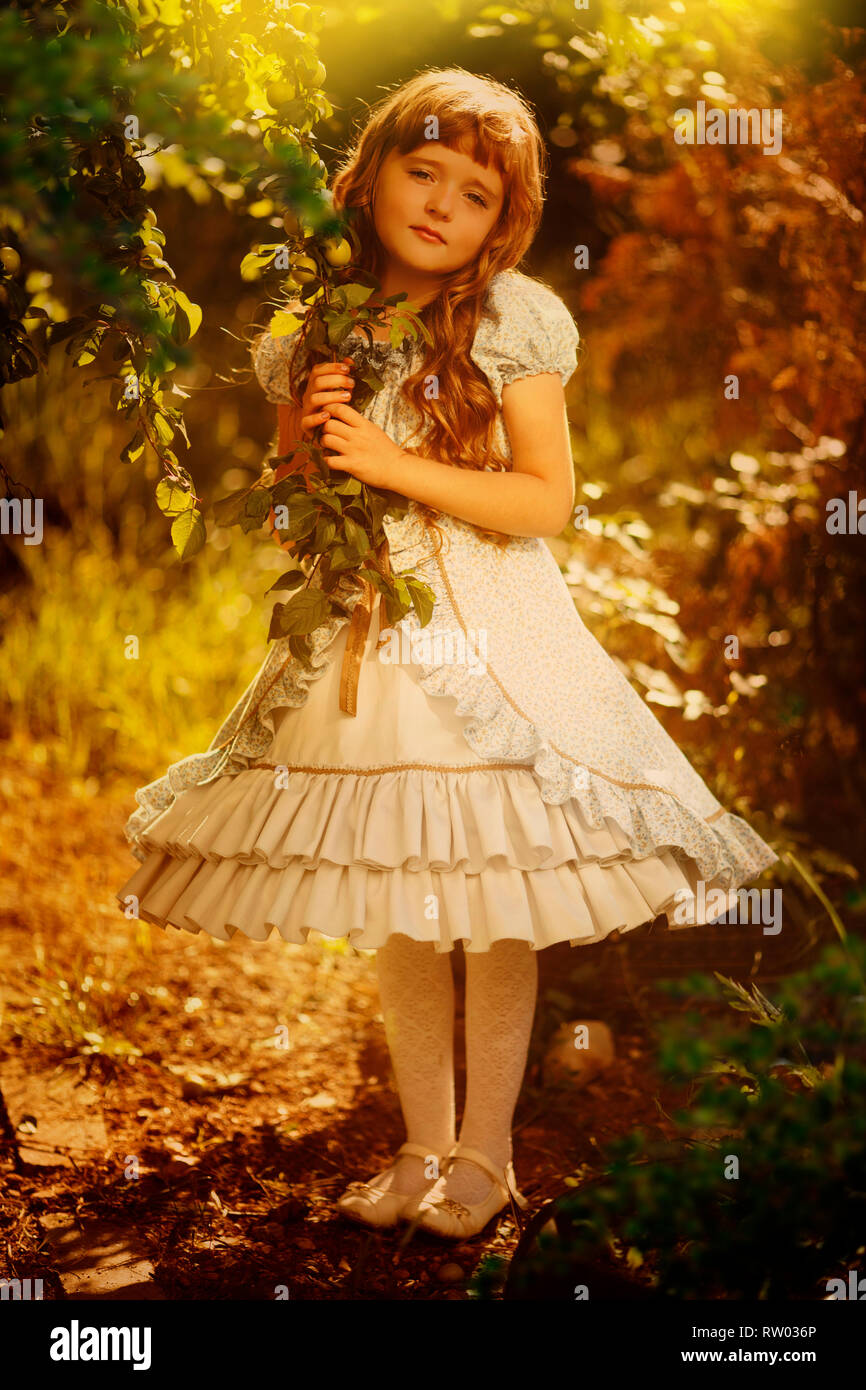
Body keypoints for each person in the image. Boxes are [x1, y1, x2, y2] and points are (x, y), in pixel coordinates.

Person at [115, 68, 779, 1241]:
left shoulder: (513, 319)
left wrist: (382, 461)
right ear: (371, 177)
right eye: (421, 172)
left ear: (499, 223)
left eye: (472, 192)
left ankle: (487, 1159)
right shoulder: (315, 322)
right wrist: (309, 462)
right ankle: (421, 1146)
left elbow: (542, 502)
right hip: (362, 641)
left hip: (495, 648)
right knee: (407, 908)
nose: (438, 204)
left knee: (489, 900)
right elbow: (285, 510)